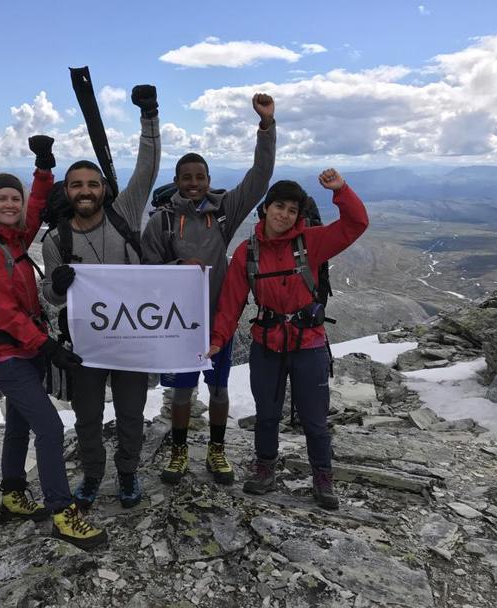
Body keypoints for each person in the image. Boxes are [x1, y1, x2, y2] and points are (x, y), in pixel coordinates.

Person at [0, 137, 106, 549]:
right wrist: (47, 346)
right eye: (2, 199)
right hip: (8, 356)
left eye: (14, 198)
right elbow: (4, 314)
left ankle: (12, 492)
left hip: (22, 353)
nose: (10, 204)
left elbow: (31, 211)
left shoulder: (13, 239)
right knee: (49, 427)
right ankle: (63, 514)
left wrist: (43, 169)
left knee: (18, 424)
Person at [207, 172, 368, 509]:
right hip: (266, 343)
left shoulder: (311, 242)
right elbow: (231, 301)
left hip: (307, 342)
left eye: (292, 210)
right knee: (267, 413)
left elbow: (355, 224)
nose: (284, 214)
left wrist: (341, 191)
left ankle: (322, 477)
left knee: (314, 418)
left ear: (299, 215)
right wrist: (218, 339)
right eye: (278, 206)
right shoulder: (246, 251)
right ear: (265, 209)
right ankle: (264, 468)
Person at [142, 93, 276, 486]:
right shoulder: (162, 223)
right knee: (182, 396)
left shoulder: (224, 212)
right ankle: (180, 452)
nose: (194, 183)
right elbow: (148, 268)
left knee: (218, 391)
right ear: (178, 182)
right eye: (187, 178)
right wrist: (174, 267)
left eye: (200, 177)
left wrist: (266, 127)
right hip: (179, 324)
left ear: (209, 180)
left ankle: (216, 452)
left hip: (219, 321)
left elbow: (259, 179)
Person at [42, 85, 161, 509]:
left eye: (93, 183)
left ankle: (127, 473)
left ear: (103, 189)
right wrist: (57, 283)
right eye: (77, 185)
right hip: (87, 348)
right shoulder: (57, 238)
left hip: (130, 343)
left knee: (131, 415)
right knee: (88, 418)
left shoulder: (124, 213)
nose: (86, 190)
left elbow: (146, 170)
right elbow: (52, 300)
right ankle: (93, 475)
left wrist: (150, 115)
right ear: (68, 191)